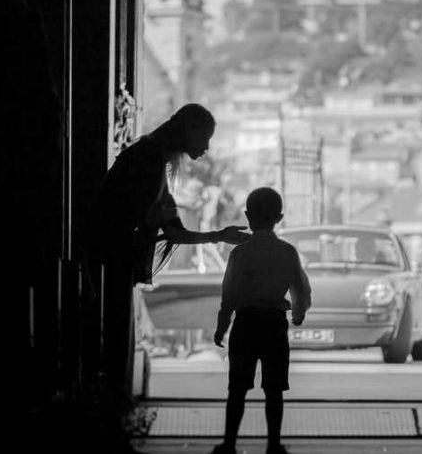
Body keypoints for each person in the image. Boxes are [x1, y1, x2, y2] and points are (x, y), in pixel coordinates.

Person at [88, 103, 251, 403]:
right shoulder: (148, 162)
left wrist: (219, 235)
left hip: (113, 262)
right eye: (204, 137)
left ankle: (114, 406)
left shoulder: (149, 159)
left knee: (116, 335)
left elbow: (174, 231)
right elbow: (171, 230)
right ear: (188, 130)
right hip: (112, 263)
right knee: (115, 336)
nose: (206, 147)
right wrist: (217, 236)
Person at [211, 188, 312, 454]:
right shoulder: (288, 252)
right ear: (279, 218)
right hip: (274, 326)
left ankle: (229, 445)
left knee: (237, 389)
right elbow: (301, 288)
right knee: (274, 390)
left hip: (245, 324)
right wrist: (299, 313)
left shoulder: (240, 253)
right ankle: (273, 446)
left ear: (248, 216)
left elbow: (229, 295)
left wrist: (222, 326)